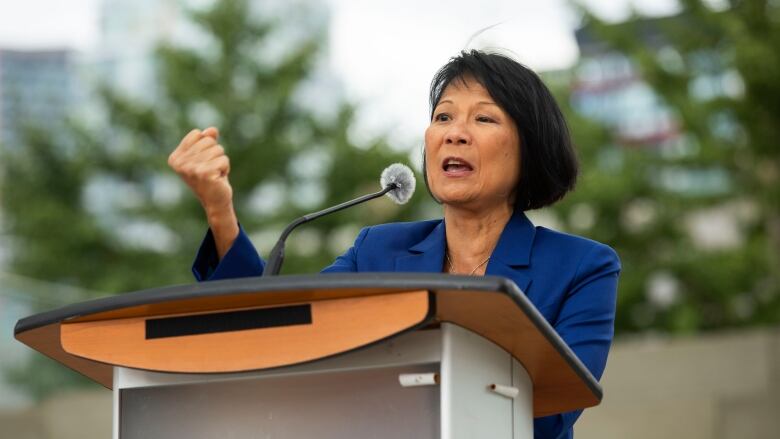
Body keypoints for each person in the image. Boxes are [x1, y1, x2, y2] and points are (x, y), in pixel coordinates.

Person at [168, 49, 620, 439]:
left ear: (530, 149)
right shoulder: (377, 250)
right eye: (443, 116)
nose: (454, 133)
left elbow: (551, 412)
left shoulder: (583, 266)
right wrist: (219, 211)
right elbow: (277, 335)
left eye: (483, 118)